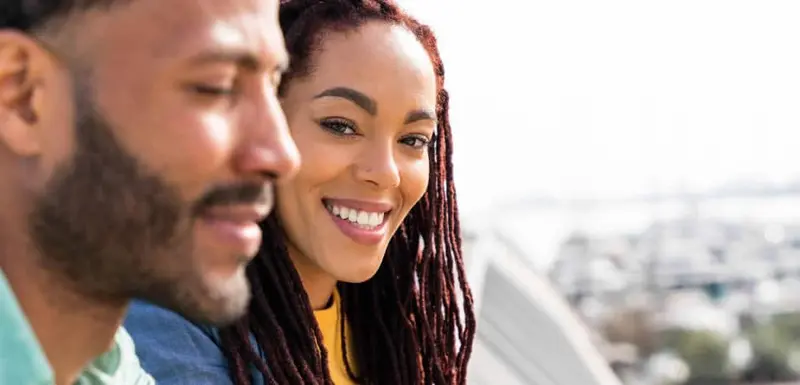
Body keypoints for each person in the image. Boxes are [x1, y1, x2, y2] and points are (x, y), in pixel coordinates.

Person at [125, 0, 476, 384]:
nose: (386, 173)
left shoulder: (394, 337)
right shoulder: (167, 314)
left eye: (412, 140)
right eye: (341, 126)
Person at [0, 0, 299, 383]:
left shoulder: (104, 364)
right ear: (23, 95)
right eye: (217, 87)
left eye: (274, 86)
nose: (282, 155)